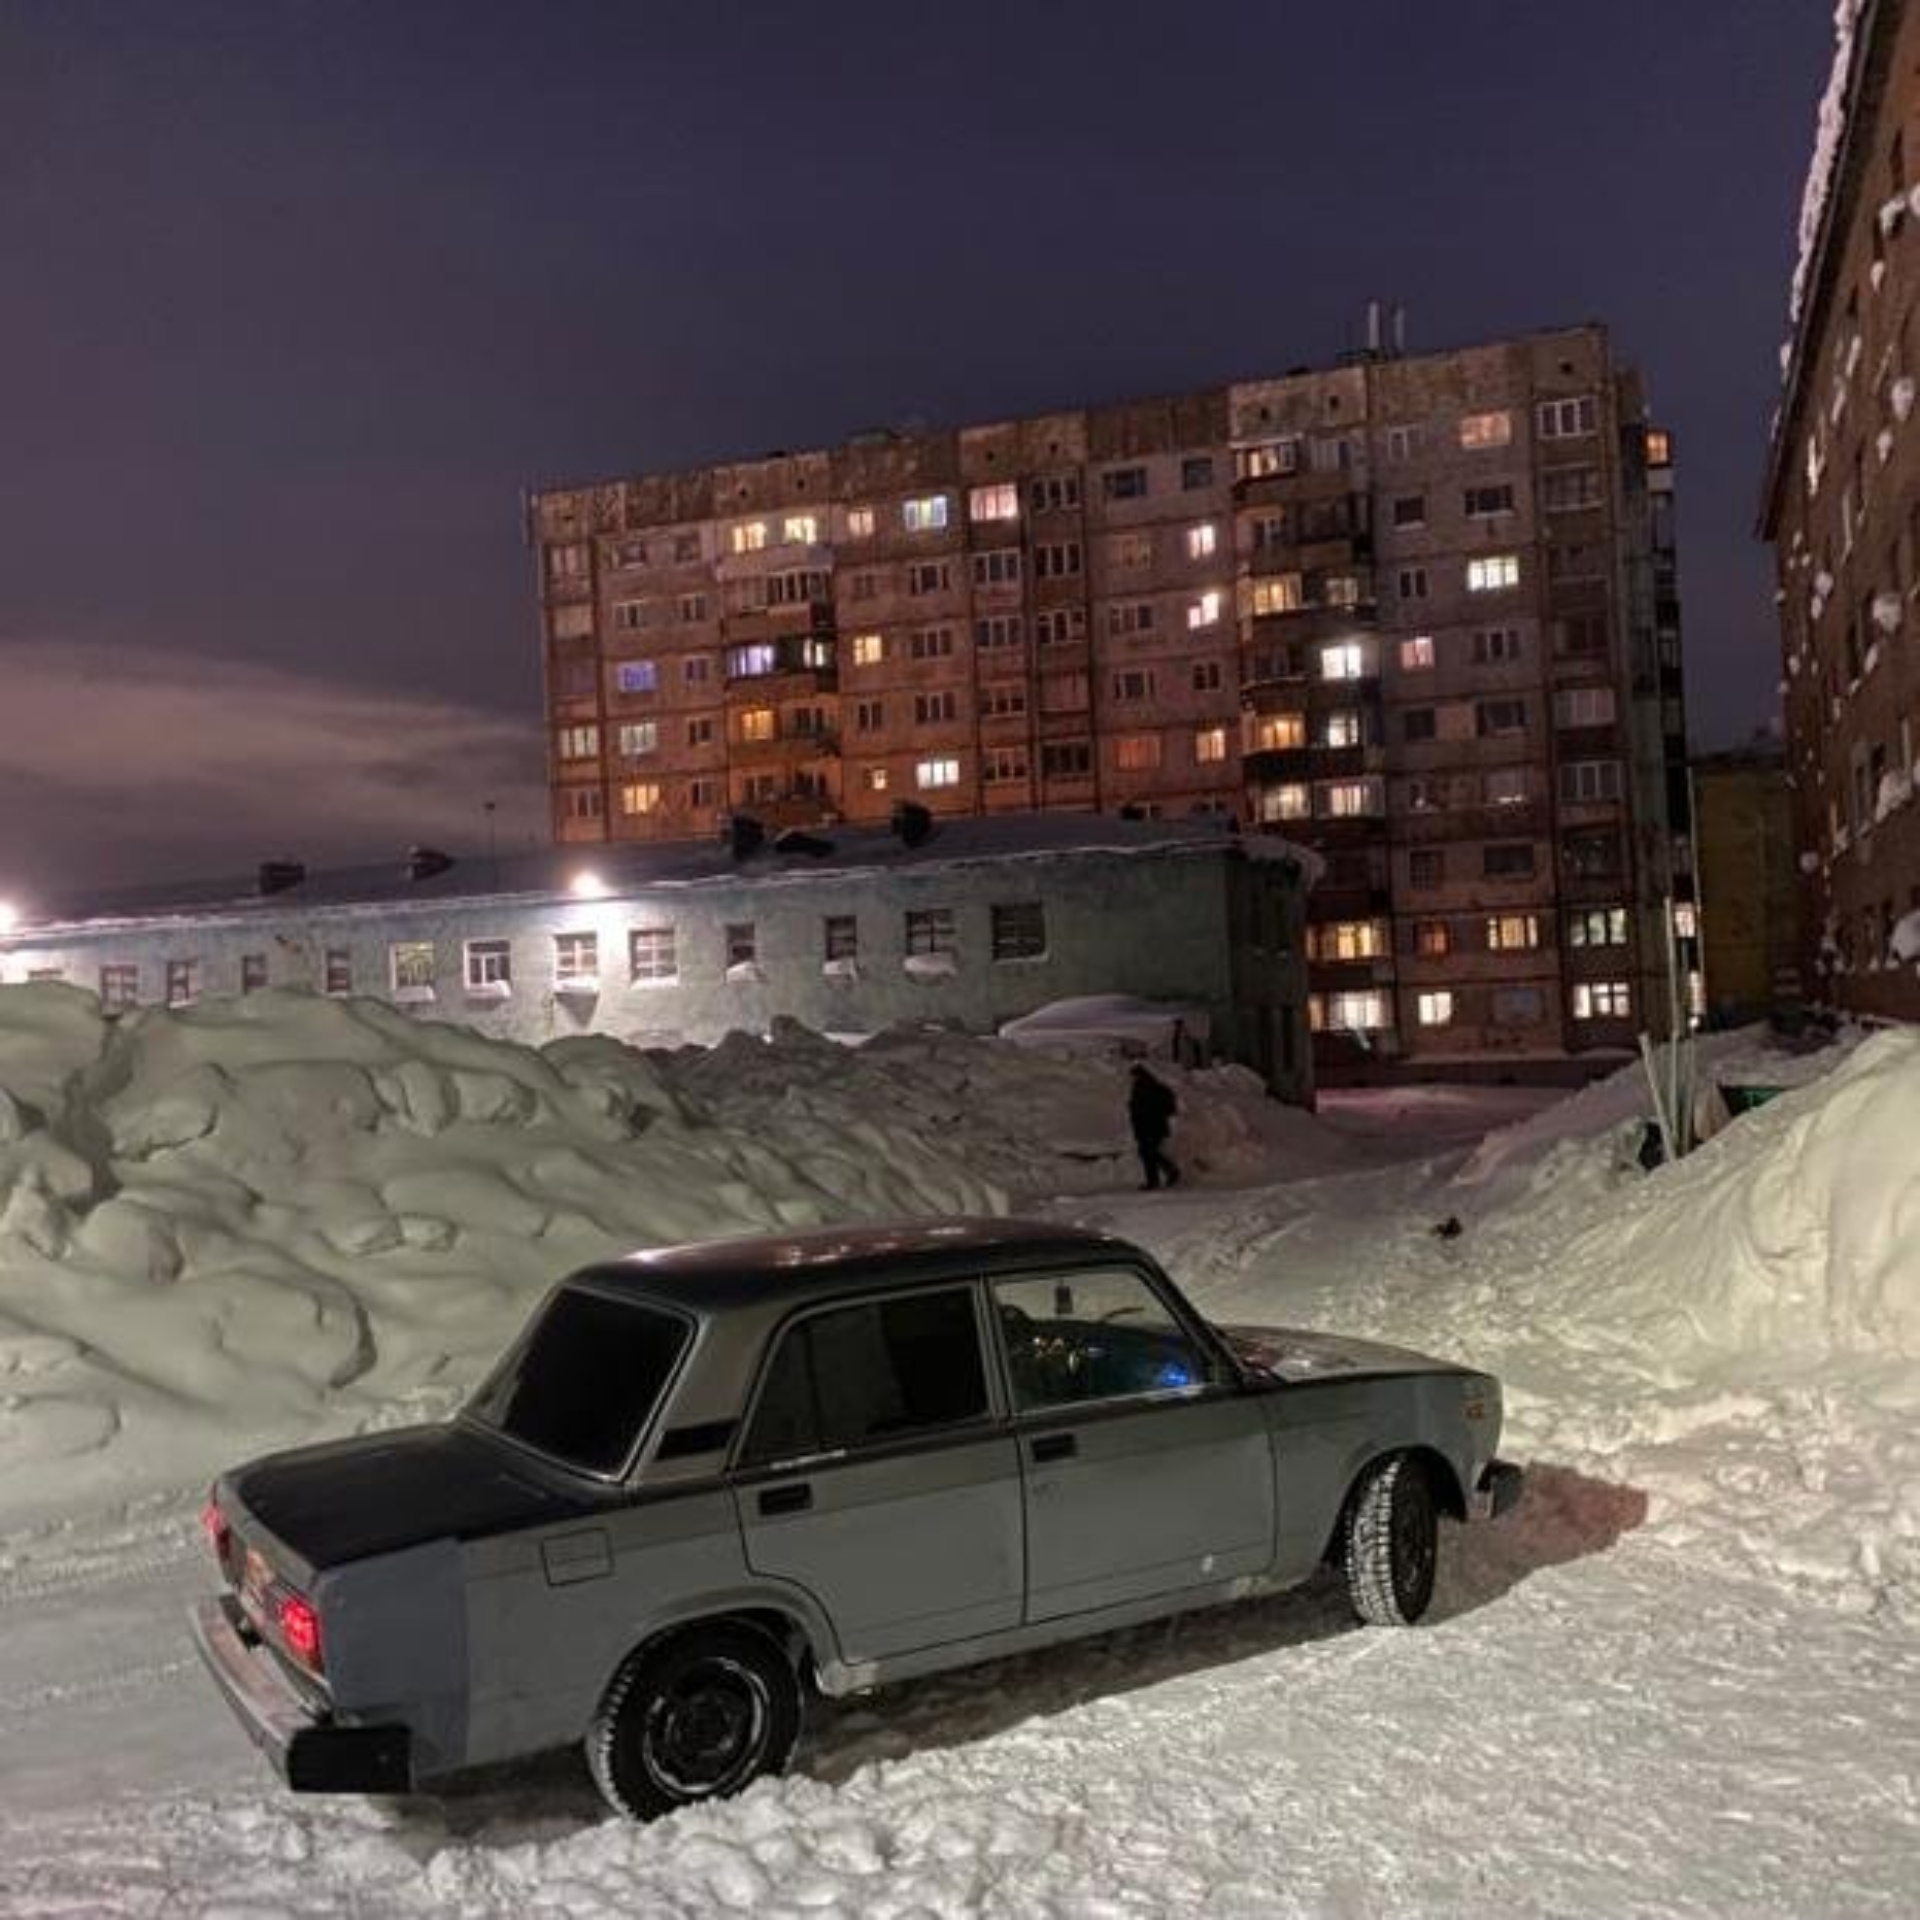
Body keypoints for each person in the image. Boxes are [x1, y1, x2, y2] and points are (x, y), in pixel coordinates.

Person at [1127, 1063, 1180, 1191]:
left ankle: (1158, 1178)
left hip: (1148, 1126)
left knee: (1148, 1154)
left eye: (1133, 1076)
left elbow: (1142, 1108)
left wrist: (1134, 1107)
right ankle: (1167, 1173)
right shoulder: (1153, 1086)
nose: (1131, 1079)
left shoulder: (1143, 1088)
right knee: (1150, 1153)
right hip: (1154, 1126)